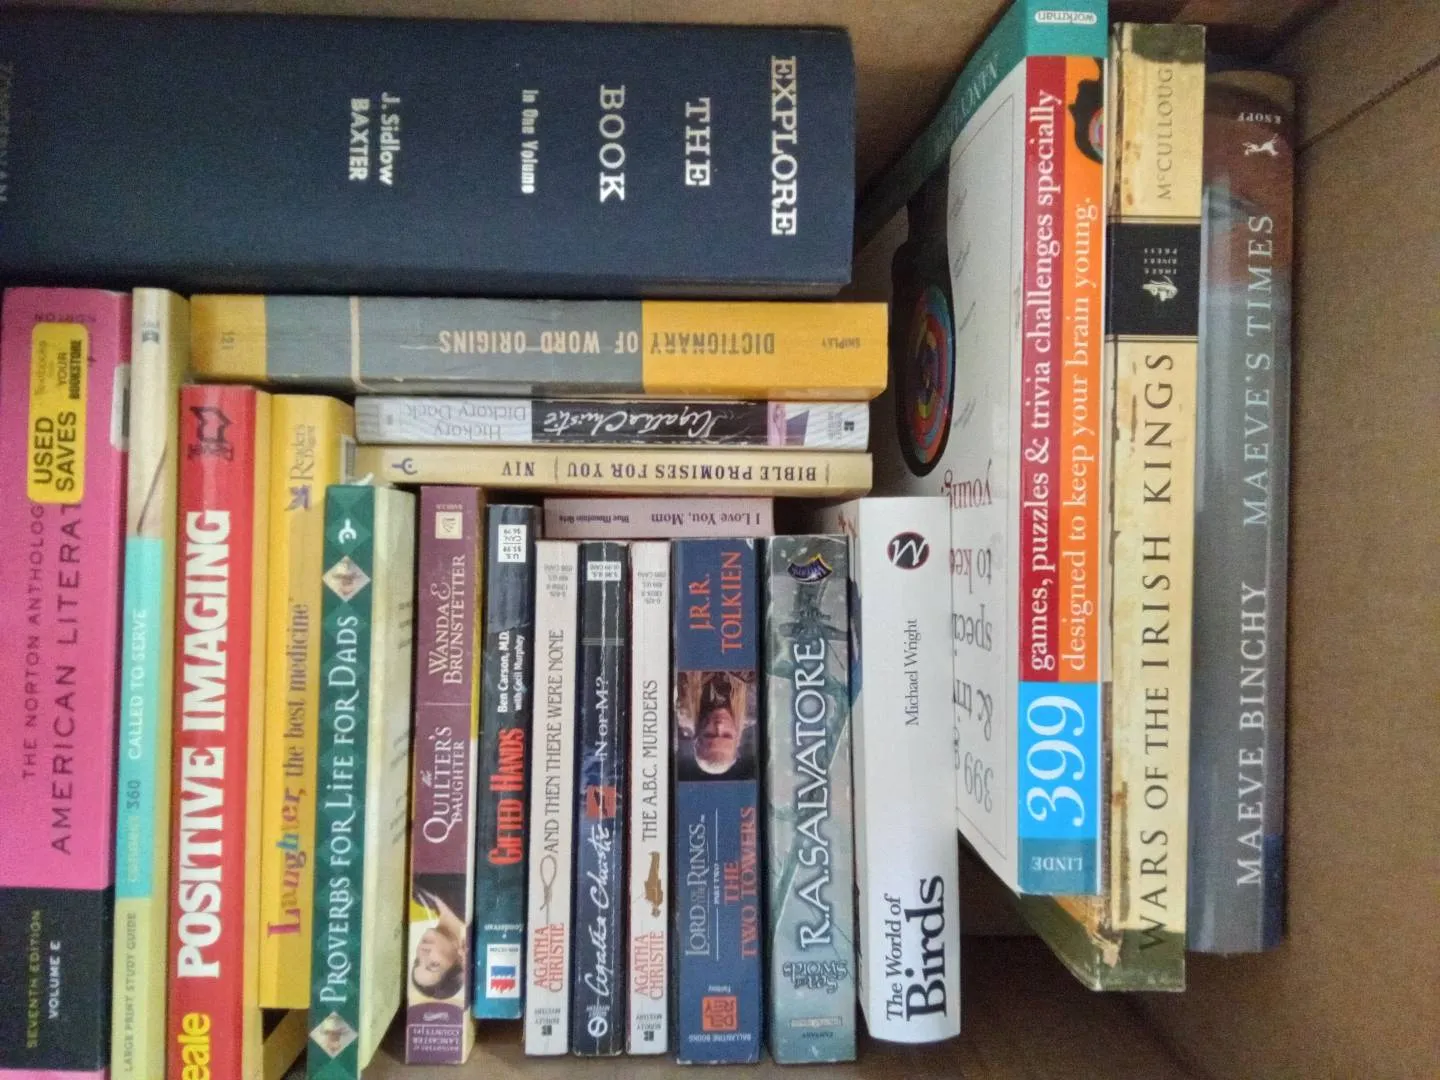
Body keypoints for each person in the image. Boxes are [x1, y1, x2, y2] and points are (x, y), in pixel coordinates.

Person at [411, 885, 467, 1001]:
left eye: (417, 961)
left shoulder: (417, 896)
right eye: (434, 964)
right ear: (460, 960)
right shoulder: (472, 906)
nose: (423, 953)